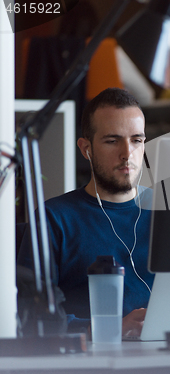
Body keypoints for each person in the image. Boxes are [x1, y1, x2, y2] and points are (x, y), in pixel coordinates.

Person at [19, 88, 154, 336]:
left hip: (168, 352)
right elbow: (30, 316)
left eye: (136, 140)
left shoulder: (169, 212)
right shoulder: (54, 218)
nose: (127, 154)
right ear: (86, 149)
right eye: (112, 141)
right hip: (90, 359)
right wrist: (109, 330)